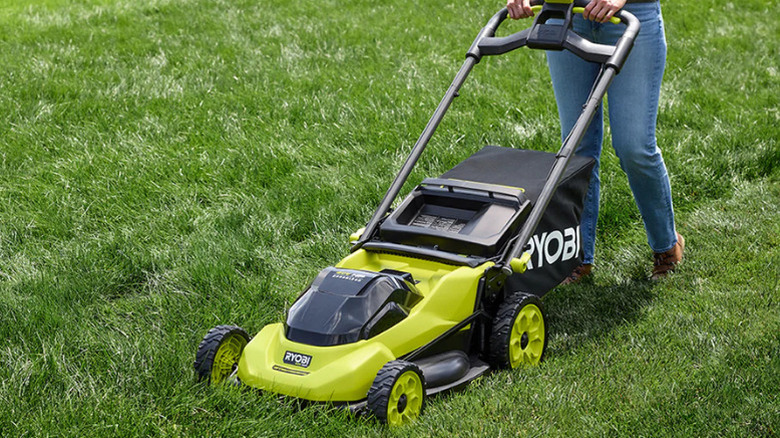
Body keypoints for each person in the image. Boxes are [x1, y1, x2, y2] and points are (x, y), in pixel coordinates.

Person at [505, 0, 684, 282]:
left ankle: (666, 244)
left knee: (634, 146)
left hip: (630, 15)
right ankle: (577, 256)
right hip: (566, 15)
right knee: (577, 147)